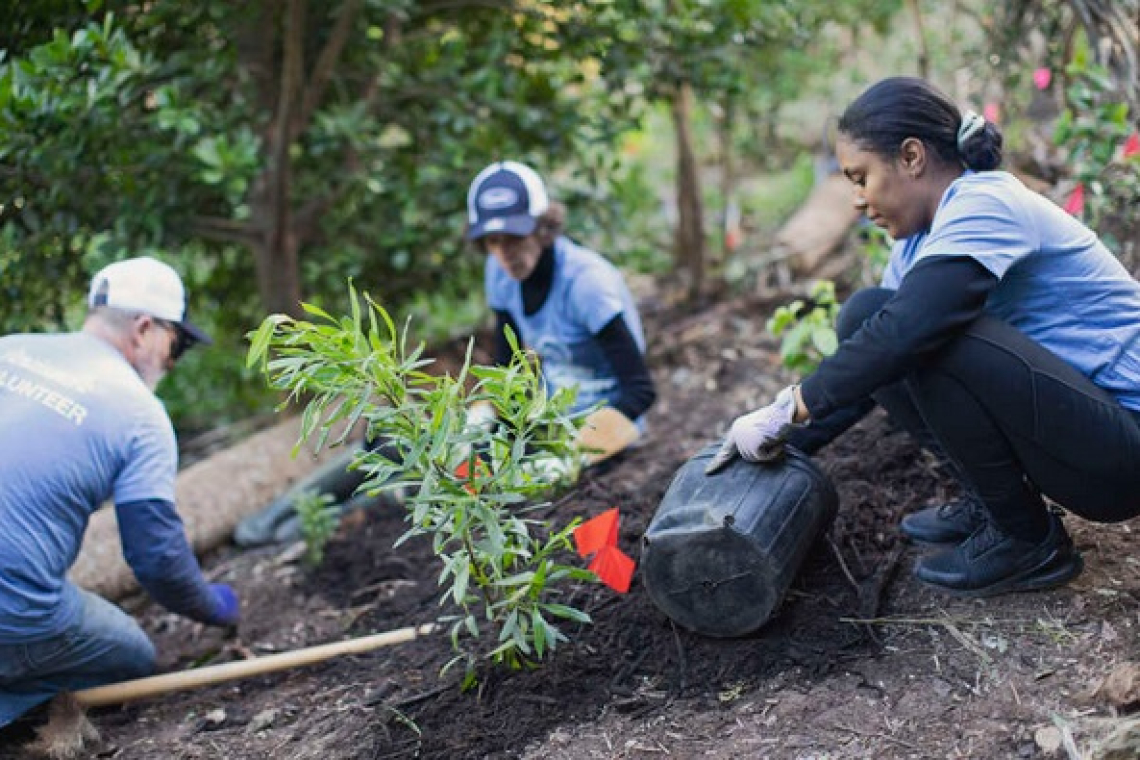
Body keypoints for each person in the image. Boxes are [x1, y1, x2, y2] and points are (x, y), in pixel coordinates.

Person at [706, 76, 1140, 598]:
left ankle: (1027, 541)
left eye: (860, 177)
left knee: (921, 330)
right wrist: (785, 438)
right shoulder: (921, 241)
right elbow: (875, 359)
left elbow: (911, 330)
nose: (857, 201)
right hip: (1080, 435)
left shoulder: (986, 201)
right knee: (867, 315)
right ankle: (993, 503)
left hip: (1123, 444)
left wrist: (787, 407)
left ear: (911, 157)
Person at [0, 257, 241, 727]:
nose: (171, 363)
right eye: (177, 345)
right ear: (145, 329)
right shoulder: (139, 415)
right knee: (130, 654)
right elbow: (157, 560)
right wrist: (215, 606)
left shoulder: (9, 348)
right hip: (9, 619)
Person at [466, 160, 656, 460]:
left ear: (542, 228)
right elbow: (508, 369)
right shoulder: (499, 274)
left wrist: (577, 454)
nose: (505, 254)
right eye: (494, 241)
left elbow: (641, 390)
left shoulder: (586, 283)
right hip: (553, 420)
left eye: (515, 237)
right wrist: (491, 420)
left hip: (608, 425)